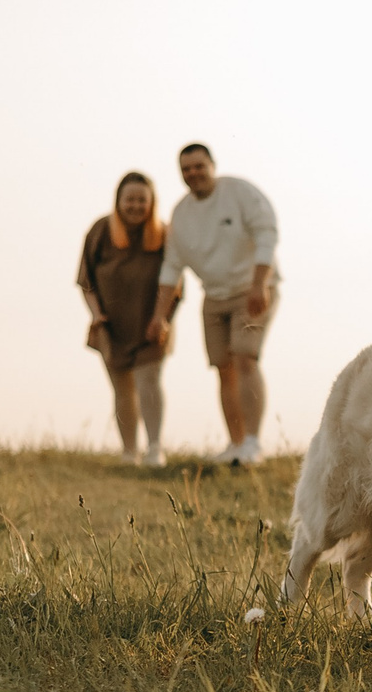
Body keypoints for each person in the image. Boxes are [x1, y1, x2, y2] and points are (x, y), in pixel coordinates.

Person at [157, 143, 278, 465]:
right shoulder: (181, 213)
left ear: (212, 165)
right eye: (186, 169)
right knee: (223, 368)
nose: (193, 173)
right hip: (213, 295)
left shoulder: (239, 192)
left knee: (245, 357)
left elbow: (266, 235)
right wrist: (160, 317)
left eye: (199, 166)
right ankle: (235, 444)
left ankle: (253, 443)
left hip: (252, 288)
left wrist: (260, 283)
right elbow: (171, 267)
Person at [77, 171, 172, 465]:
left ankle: (155, 448)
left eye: (142, 200)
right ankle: (130, 452)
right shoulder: (100, 231)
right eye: (130, 199)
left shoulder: (164, 234)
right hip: (110, 324)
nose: (135, 206)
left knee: (149, 381)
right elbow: (85, 280)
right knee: (122, 388)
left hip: (151, 322)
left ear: (152, 202)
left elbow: (174, 282)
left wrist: (161, 317)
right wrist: (96, 314)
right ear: (118, 200)